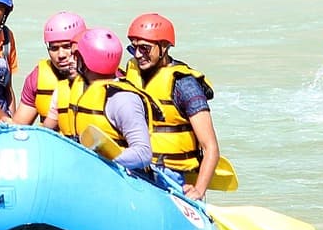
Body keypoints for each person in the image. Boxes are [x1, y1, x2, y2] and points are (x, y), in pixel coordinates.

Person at [121, 13, 222, 200]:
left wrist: (199, 190)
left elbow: (211, 148)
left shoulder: (185, 85)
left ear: (165, 47)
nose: (137, 55)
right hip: (134, 166)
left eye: (145, 48)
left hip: (168, 176)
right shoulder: (130, 73)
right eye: (133, 48)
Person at [59, 28, 156, 176]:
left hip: (122, 180)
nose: (72, 59)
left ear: (86, 61)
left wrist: (98, 162)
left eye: (77, 55)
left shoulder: (123, 100)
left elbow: (143, 153)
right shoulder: (83, 90)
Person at [13, 12, 85, 126]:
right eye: (54, 48)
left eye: (67, 46)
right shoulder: (37, 78)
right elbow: (19, 127)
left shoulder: (102, 76)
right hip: (51, 140)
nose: (61, 55)